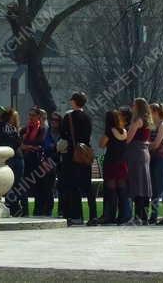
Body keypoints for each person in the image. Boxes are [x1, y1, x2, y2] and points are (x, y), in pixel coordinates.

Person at [58, 91, 98, 226]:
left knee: (73, 187)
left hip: (72, 155)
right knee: (87, 186)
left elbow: (63, 135)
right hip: (85, 154)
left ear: (74, 102)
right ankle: (93, 215)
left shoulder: (69, 117)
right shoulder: (88, 117)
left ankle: (77, 216)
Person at [0, 107, 24, 216]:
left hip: (7, 159)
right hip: (17, 157)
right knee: (16, 185)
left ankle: (12, 208)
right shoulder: (11, 128)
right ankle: (16, 209)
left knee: (6, 185)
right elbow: (18, 142)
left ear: (0, 115)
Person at [99, 108, 130, 225]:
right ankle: (124, 215)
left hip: (111, 163)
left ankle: (109, 215)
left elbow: (101, 144)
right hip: (122, 163)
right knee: (122, 190)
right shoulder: (124, 131)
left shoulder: (109, 131)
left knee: (110, 191)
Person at [125, 98, 153, 224]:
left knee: (137, 185)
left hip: (136, 152)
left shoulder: (137, 120)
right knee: (144, 185)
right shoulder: (147, 121)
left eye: (134, 105)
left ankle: (138, 216)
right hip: (144, 152)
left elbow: (128, 138)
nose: (132, 106)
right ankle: (144, 216)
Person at [149, 102, 163, 225]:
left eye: (151, 111)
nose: (149, 114)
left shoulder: (162, 125)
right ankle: (153, 216)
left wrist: (146, 146)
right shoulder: (151, 125)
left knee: (162, 188)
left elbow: (156, 143)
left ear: (156, 112)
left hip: (161, 159)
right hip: (152, 158)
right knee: (154, 189)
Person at [21, 108, 46, 216]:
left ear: (38, 117)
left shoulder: (42, 129)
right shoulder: (27, 129)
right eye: (29, 115)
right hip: (27, 159)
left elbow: (40, 143)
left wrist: (28, 146)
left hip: (37, 160)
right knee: (24, 186)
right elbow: (22, 142)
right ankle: (25, 211)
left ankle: (38, 211)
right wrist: (29, 146)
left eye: (33, 115)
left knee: (38, 187)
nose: (30, 117)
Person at [36, 111, 61, 216]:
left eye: (56, 120)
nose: (54, 122)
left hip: (59, 161)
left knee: (60, 187)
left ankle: (59, 210)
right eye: (52, 120)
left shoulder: (62, 132)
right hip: (48, 161)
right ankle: (45, 209)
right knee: (47, 187)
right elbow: (46, 145)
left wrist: (53, 147)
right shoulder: (48, 131)